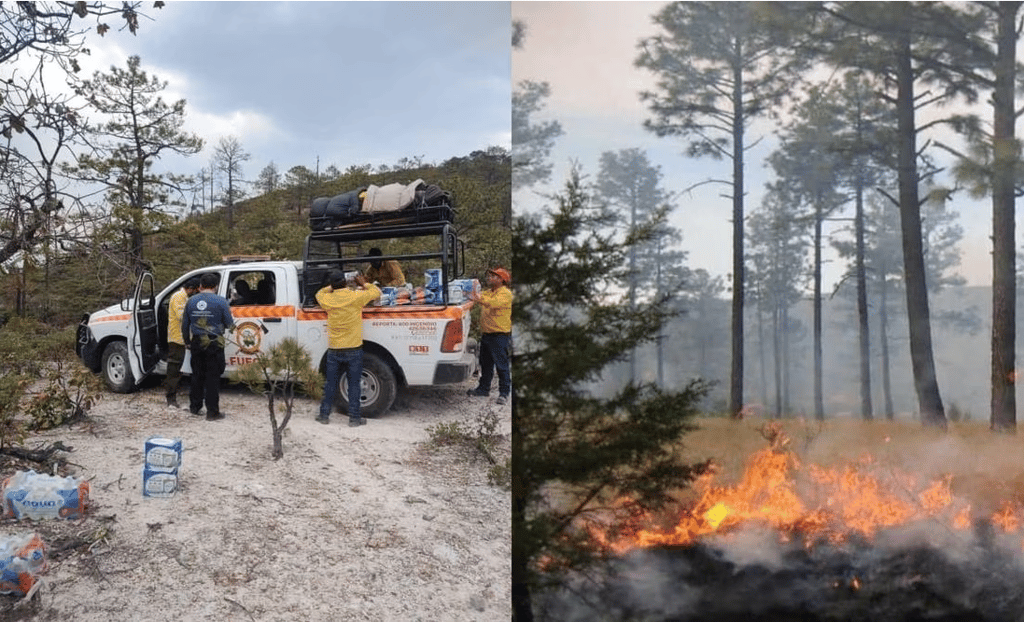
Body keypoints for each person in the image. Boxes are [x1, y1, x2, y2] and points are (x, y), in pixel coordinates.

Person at [316, 269, 381, 426]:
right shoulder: (355, 297)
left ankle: (324, 415)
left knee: (330, 383)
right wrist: (363, 283)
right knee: (354, 384)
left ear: (332, 285)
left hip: (334, 349)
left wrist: (330, 288)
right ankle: (354, 418)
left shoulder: (328, 300)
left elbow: (318, 294)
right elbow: (376, 291)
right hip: (353, 348)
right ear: (345, 282)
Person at [182, 272, 235, 421]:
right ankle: (212, 412)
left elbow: (185, 325)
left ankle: (195, 407)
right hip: (214, 342)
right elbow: (230, 325)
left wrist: (187, 341)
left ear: (200, 286)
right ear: (216, 286)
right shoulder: (221, 301)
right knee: (212, 377)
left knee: (196, 375)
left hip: (197, 341)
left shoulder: (191, 301)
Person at [467, 267, 513, 405]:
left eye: (494, 276)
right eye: (490, 276)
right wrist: (470, 294)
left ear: (501, 280)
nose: (490, 278)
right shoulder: (489, 292)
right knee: (485, 364)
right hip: (487, 334)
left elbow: (492, 304)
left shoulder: (505, 294)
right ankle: (483, 389)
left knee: (501, 366)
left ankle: (504, 393)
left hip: (499, 336)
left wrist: (476, 297)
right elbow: (481, 298)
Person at [164, 276, 200, 408]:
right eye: (196, 291)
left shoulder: (184, 297)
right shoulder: (179, 297)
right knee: (174, 368)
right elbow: (181, 317)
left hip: (184, 337)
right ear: (191, 289)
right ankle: (171, 398)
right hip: (177, 338)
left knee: (182, 367)